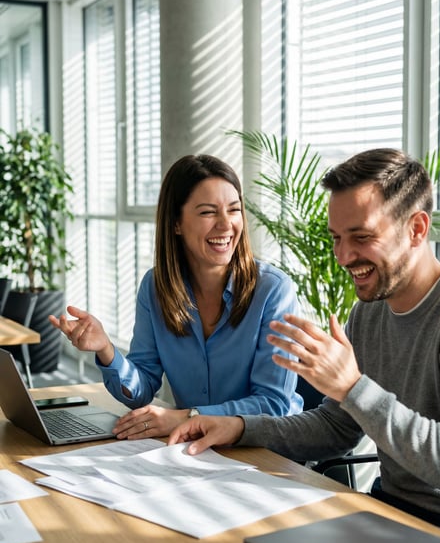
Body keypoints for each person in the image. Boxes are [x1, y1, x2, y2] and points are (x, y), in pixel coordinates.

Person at [169, 148, 440, 543]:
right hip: (393, 512)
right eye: (337, 238)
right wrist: (240, 428)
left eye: (362, 237)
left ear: (417, 229)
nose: (344, 257)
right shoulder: (369, 312)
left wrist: (353, 386)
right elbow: (336, 428)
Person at [50, 154, 303, 439]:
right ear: (176, 223)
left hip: (264, 452)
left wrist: (188, 418)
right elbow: (142, 389)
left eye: (234, 210)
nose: (225, 225)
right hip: (196, 451)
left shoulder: (273, 291)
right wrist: (106, 350)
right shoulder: (156, 288)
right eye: (208, 212)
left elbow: (273, 404)